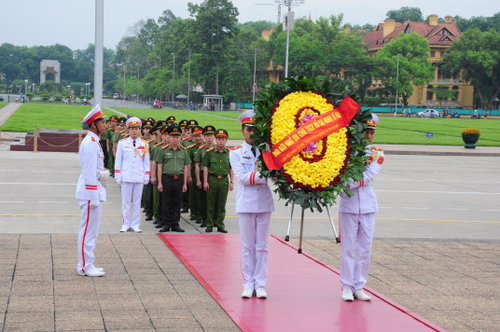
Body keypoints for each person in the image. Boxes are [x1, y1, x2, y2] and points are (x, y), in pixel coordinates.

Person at [339, 113, 384, 302]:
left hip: (367, 206)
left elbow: (369, 175)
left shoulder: (377, 153)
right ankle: (347, 286)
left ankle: (359, 286)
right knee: (348, 248)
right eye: (366, 131)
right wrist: (354, 180)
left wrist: (353, 180)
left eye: (372, 132)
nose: (369, 135)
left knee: (365, 249)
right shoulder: (344, 152)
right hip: (348, 205)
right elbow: (341, 177)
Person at [230, 110, 275, 299]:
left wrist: (263, 175)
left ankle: (261, 283)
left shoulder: (267, 153)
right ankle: (248, 282)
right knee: (247, 245)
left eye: (255, 129)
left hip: (264, 202)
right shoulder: (236, 153)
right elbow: (241, 177)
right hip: (246, 202)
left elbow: (273, 174)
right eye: (248, 129)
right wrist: (264, 175)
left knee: (262, 246)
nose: (252, 133)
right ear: (242, 131)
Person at [75, 105, 107, 277]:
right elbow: (88, 172)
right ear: (93, 124)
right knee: (87, 230)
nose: (105, 125)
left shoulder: (94, 142)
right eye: (102, 122)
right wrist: (93, 195)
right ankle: (84, 266)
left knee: (92, 231)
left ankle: (89, 262)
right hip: (90, 192)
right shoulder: (90, 143)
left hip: (94, 190)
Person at [115, 117, 151, 233]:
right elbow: (118, 161)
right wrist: (118, 175)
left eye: (136, 128)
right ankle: (125, 224)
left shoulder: (144, 144)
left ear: (140, 130)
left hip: (138, 176)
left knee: (137, 202)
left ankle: (135, 224)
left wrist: (146, 176)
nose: (134, 131)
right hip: (126, 176)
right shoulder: (122, 143)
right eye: (132, 129)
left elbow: (146, 162)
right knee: (125, 202)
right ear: (128, 130)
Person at [156, 126, 191, 232]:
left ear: (180, 138)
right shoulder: (163, 150)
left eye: (177, 137)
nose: (175, 139)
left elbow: (185, 168)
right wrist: (160, 182)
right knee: (166, 202)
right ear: (169, 138)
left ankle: (175, 223)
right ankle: (166, 223)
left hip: (179, 179)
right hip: (167, 178)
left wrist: (185, 183)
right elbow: (160, 166)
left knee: (177, 202)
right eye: (173, 137)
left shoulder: (184, 151)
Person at [202, 129, 234, 233]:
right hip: (212, 179)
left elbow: (231, 168)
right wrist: (205, 181)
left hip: (224, 180)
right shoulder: (210, 153)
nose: (221, 141)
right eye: (219, 139)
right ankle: (210, 224)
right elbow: (206, 167)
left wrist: (232, 181)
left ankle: (220, 224)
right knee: (210, 202)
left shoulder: (229, 153)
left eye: (223, 139)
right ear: (216, 140)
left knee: (221, 203)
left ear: (226, 141)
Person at [194, 125, 216, 227]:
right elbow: (197, 165)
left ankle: (216, 219)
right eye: (207, 135)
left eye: (211, 135)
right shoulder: (201, 149)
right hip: (204, 176)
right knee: (204, 199)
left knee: (216, 199)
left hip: (215, 176)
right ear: (204, 137)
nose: (209, 138)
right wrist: (198, 179)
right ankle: (205, 219)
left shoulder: (218, 148)